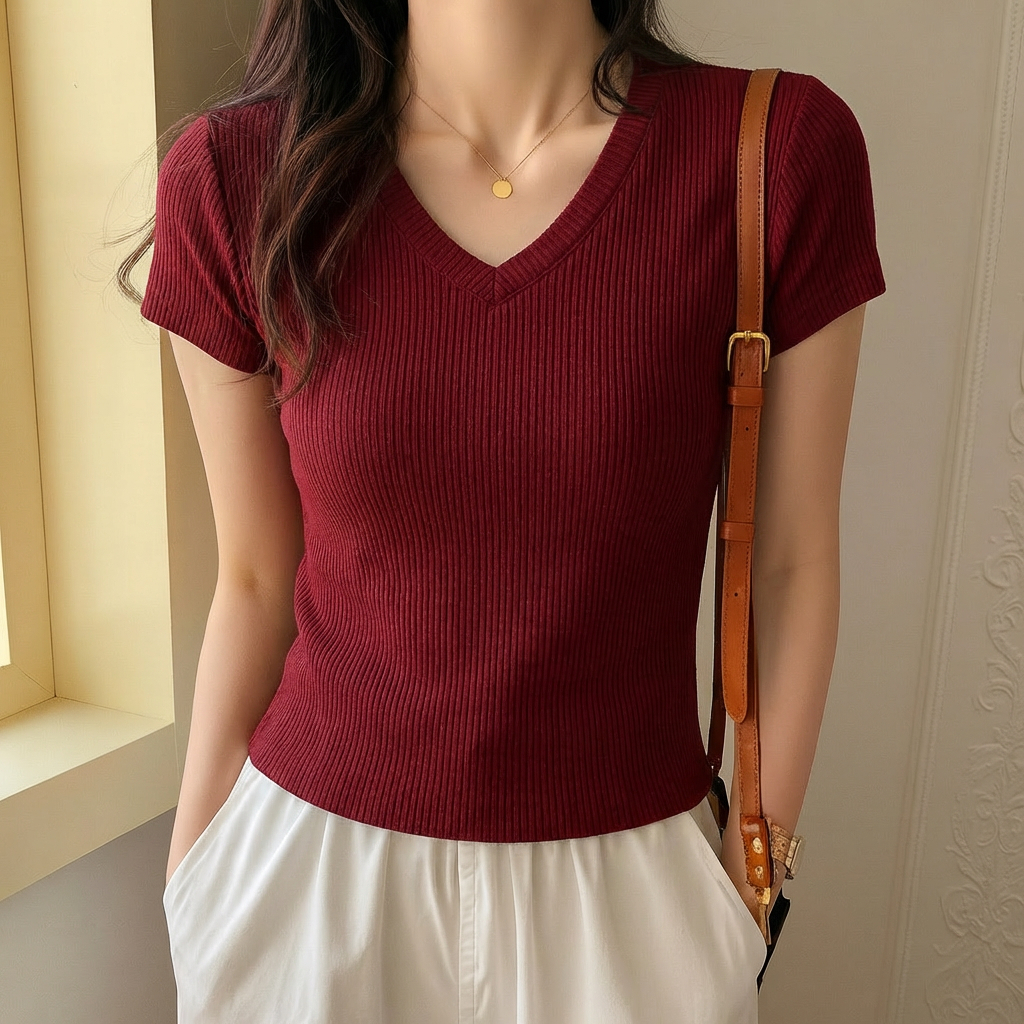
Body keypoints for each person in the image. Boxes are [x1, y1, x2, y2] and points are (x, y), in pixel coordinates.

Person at [125, 0, 886, 1020]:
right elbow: (256, 577)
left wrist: (752, 882)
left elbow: (792, 560)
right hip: (307, 885)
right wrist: (198, 882)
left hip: (631, 899)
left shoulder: (769, 155)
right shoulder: (237, 179)